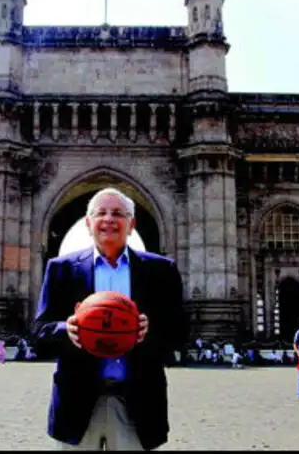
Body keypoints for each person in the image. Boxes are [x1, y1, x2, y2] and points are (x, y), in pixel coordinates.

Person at [34, 187, 188, 451]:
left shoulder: (161, 270)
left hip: (137, 404)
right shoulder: (61, 269)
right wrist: (65, 330)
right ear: (88, 223)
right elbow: (39, 331)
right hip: (77, 404)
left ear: (131, 225)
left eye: (118, 213)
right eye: (101, 213)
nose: (109, 219)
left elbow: (181, 333)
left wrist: (151, 330)